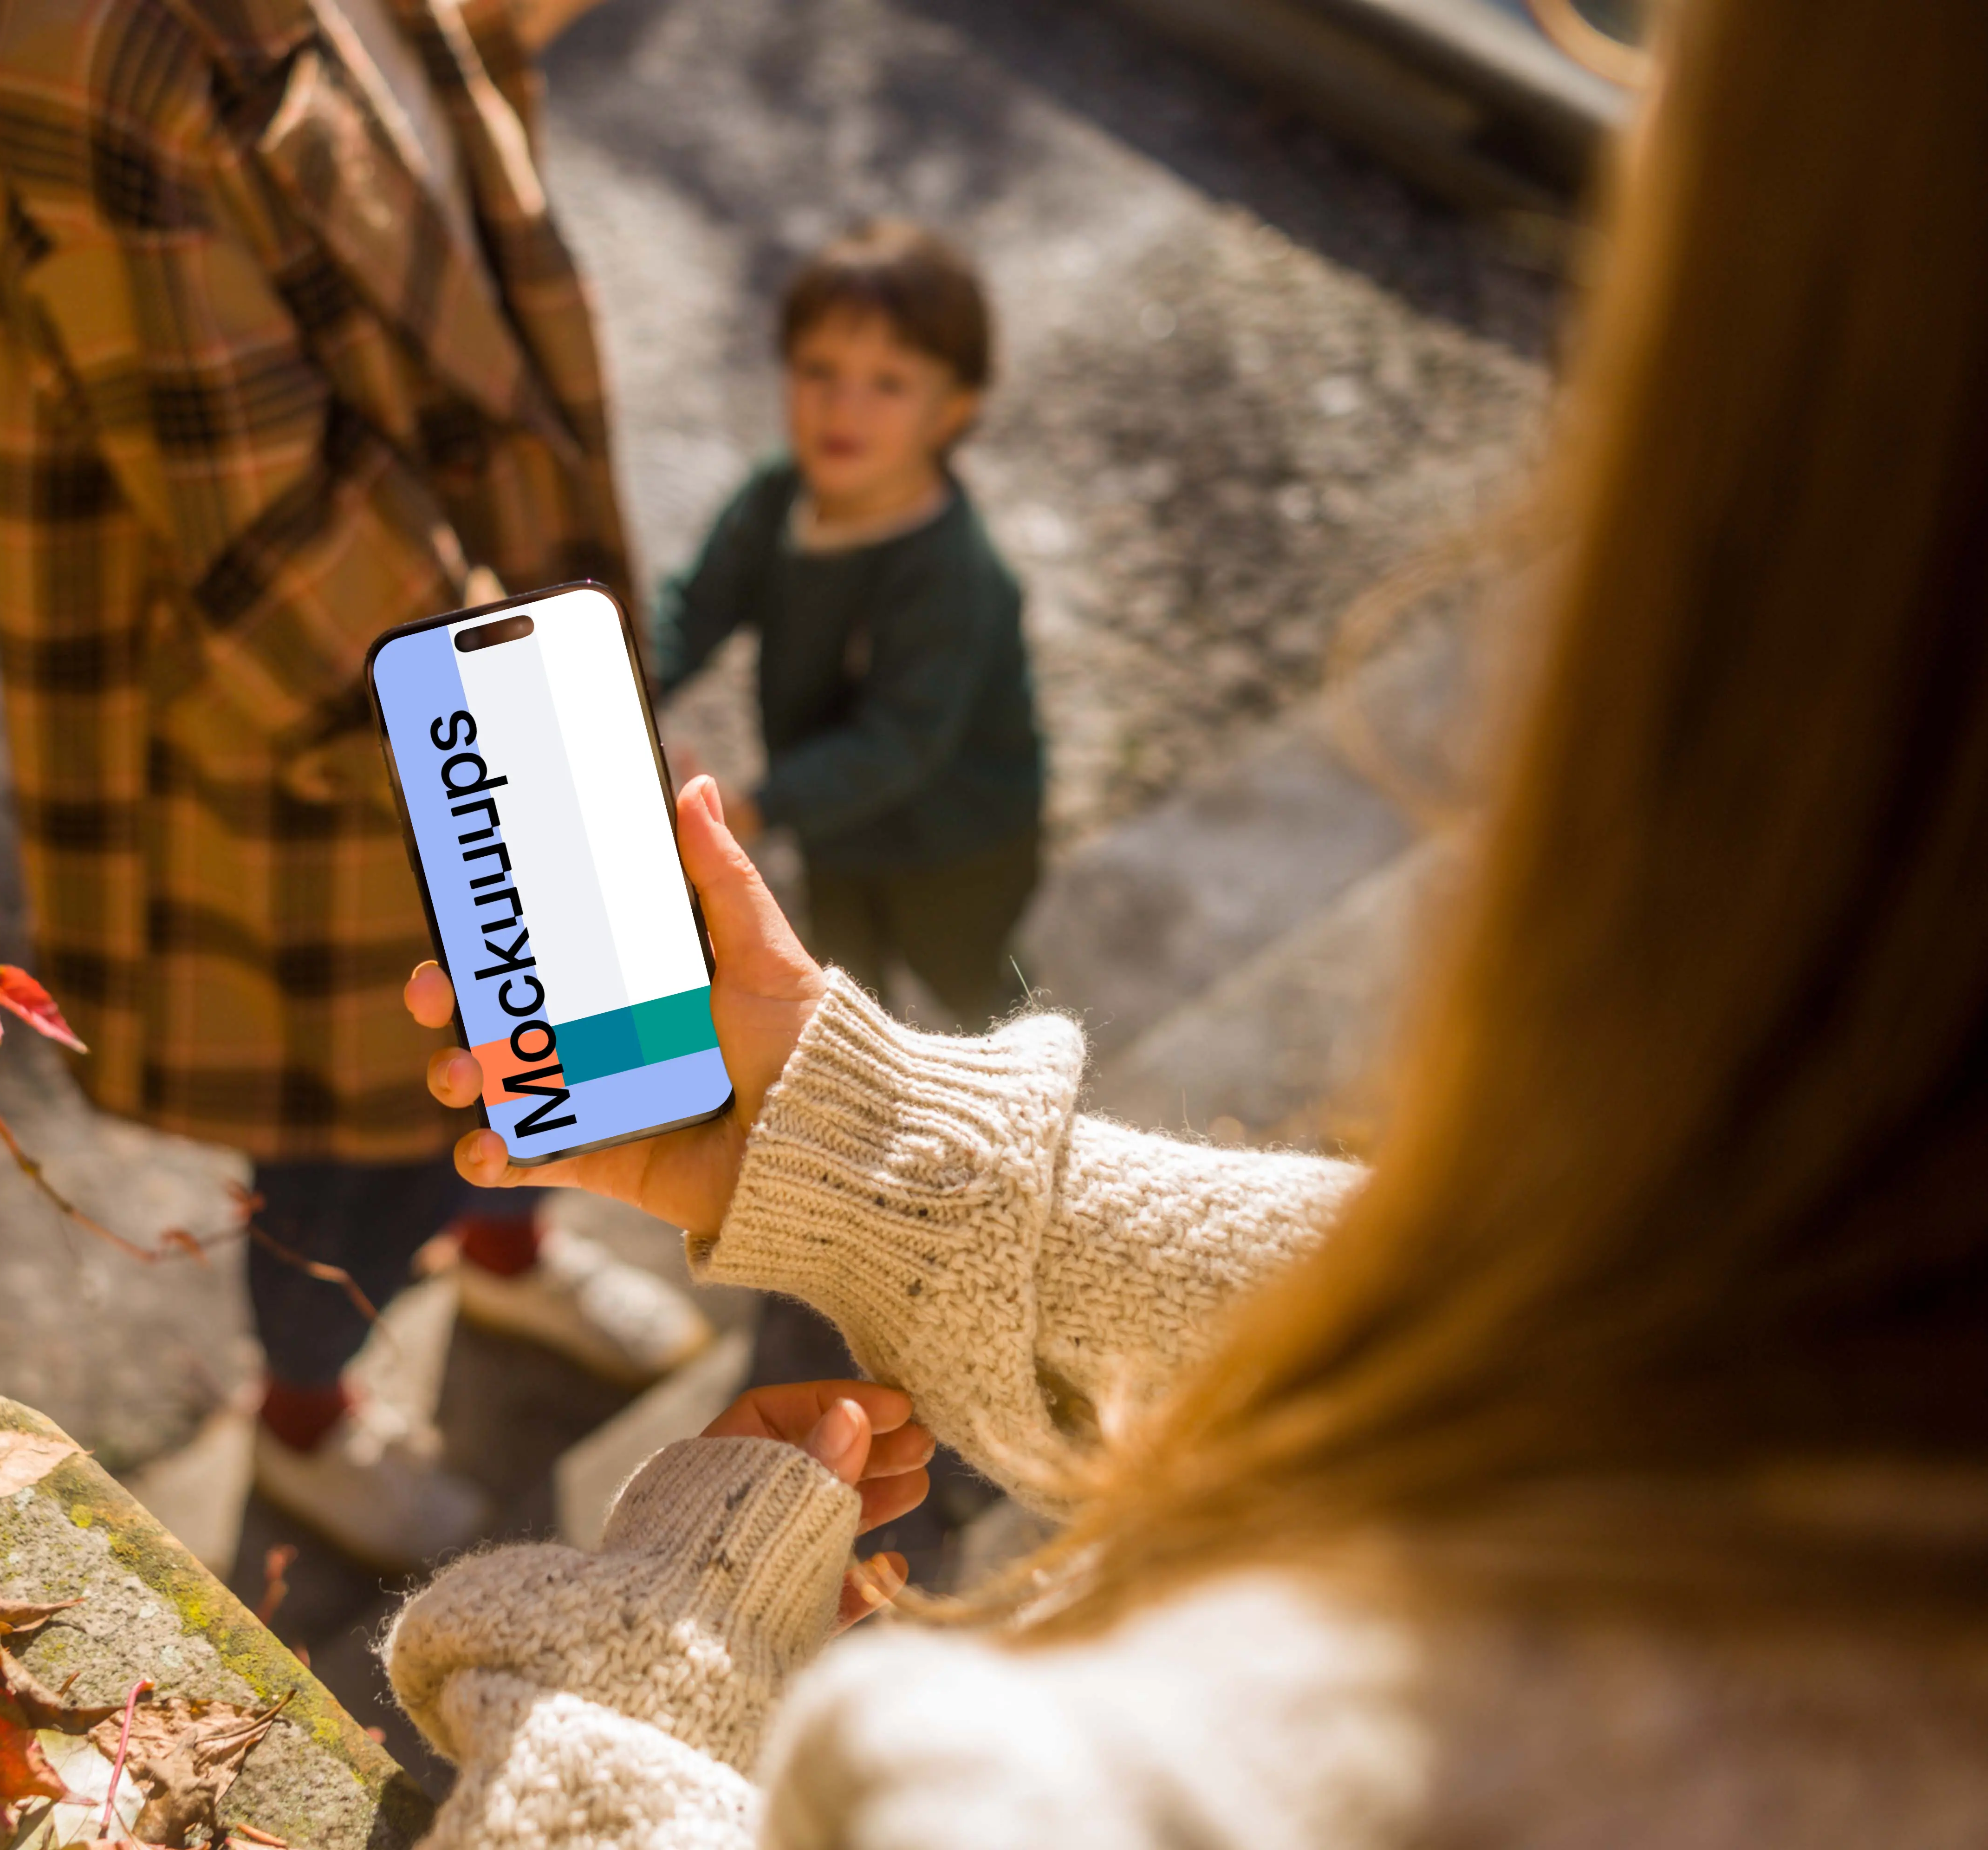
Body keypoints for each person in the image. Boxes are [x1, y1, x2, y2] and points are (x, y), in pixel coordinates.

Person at [379, 0, 1988, 1839]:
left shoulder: (1170, 1779)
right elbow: (1601, 1334)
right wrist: (887, 1147)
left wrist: (659, 1635)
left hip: (946, 897)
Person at [0, 0, 709, 1573]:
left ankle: (506, 1246)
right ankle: (305, 1423)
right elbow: (281, 547)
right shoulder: (86, 61)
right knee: (353, 1137)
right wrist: (567, 804)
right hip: (319, 734)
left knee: (512, 1062)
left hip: (470, 635)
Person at [654, 221, 1042, 1031]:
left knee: (972, 987)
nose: (843, 405)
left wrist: (755, 805)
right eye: (818, 370)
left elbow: (900, 741)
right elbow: (700, 603)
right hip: (834, 825)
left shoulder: (950, 572)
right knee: (845, 987)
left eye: (889, 383)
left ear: (954, 411)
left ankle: (1027, 1084)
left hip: (957, 843)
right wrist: (624, 679)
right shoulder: (779, 493)